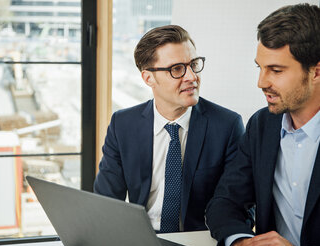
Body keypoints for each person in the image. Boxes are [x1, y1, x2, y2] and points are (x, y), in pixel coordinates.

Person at [94, 25, 244, 233]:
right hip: (142, 238)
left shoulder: (227, 126)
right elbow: (106, 202)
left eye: (193, 64)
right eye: (177, 69)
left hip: (200, 240)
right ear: (148, 78)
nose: (191, 76)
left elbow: (238, 205)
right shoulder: (123, 125)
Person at [205, 3, 320, 246]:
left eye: (275, 71)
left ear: (316, 72)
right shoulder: (262, 124)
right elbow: (225, 201)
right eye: (260, 68)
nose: (261, 82)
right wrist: (241, 242)